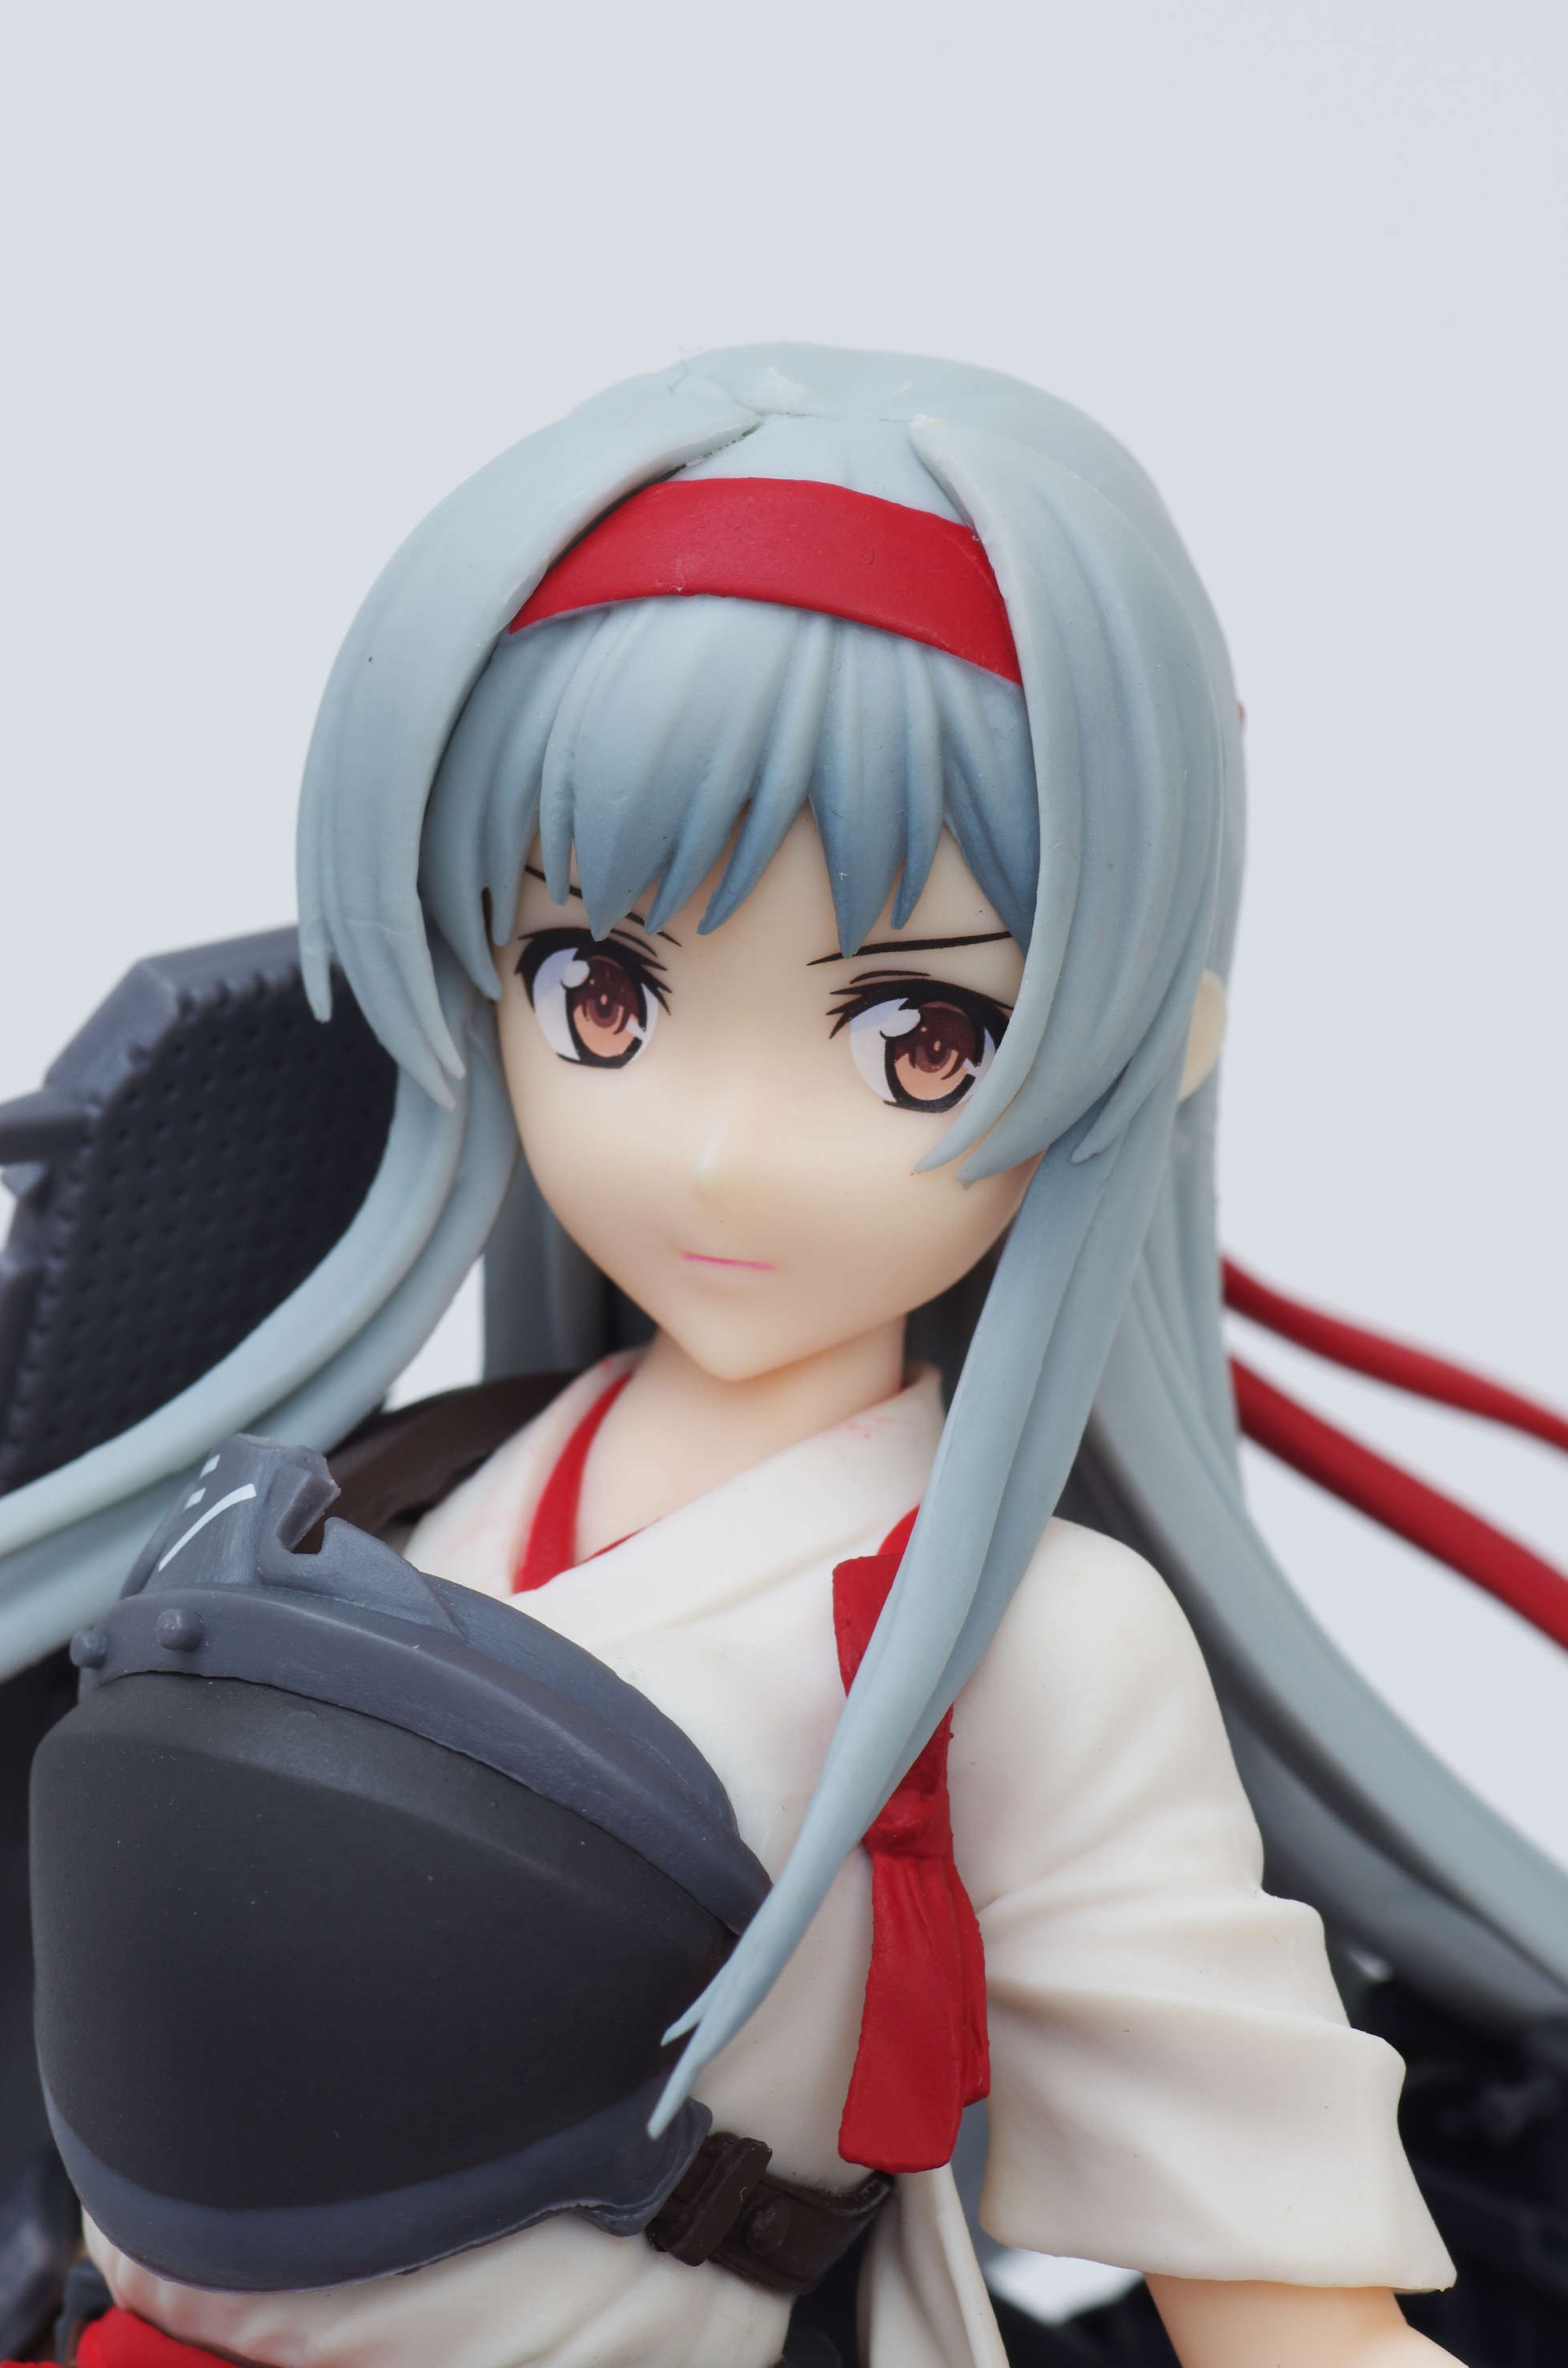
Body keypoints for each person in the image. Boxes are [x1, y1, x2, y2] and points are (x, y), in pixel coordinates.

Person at [5, 344, 1562, 2367]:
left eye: (920, 1037)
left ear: (1145, 1054)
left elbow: (1292, 2328)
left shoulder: (1020, 1646)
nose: (722, 1149)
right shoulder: (390, 1489)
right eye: (602, 989)